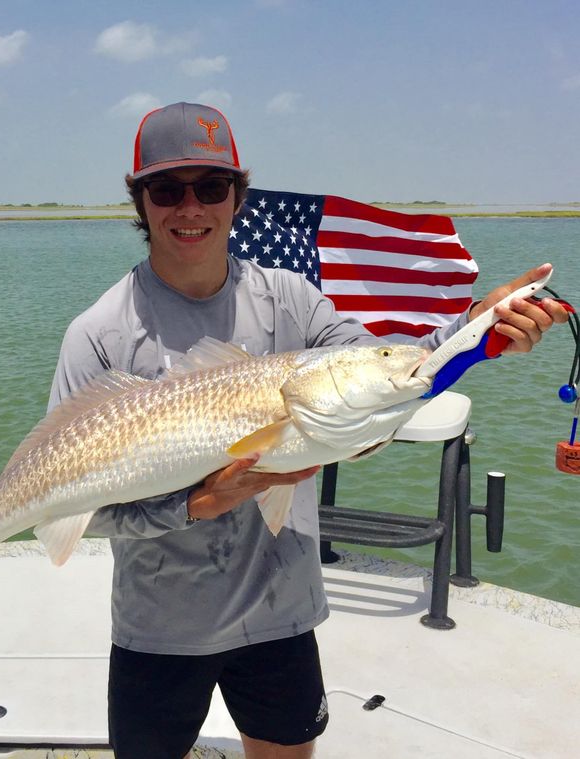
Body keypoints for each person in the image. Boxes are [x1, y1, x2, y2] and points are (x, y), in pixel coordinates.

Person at [47, 102, 568, 759]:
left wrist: (475, 337)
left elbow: (381, 376)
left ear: (237, 197)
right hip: (159, 625)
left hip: (279, 610)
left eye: (211, 188)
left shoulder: (293, 301)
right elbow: (75, 507)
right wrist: (198, 502)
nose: (190, 209)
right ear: (140, 200)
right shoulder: (98, 334)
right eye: (167, 189)